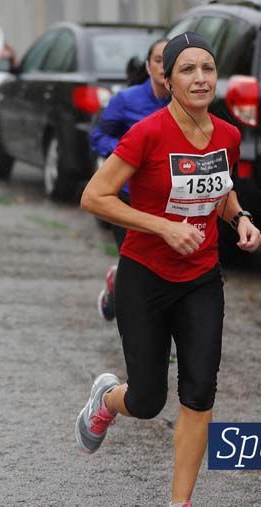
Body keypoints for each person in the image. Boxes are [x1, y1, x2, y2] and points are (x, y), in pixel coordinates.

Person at [74, 32, 261, 507]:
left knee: (200, 393)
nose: (200, 78)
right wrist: (162, 227)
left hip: (201, 279)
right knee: (148, 401)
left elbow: (220, 190)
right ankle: (107, 398)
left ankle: (180, 503)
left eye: (208, 69)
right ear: (168, 79)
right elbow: (94, 197)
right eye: (187, 70)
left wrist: (239, 218)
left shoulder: (228, 135)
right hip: (145, 277)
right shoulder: (148, 133)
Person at [89, 38, 168, 320]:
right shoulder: (126, 100)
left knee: (160, 267)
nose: (163, 66)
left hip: (166, 198)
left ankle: (119, 284)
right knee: (138, 266)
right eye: (158, 59)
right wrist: (126, 155)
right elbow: (97, 136)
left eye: (169, 59)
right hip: (126, 196)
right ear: (148, 66)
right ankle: (139, 327)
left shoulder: (186, 105)